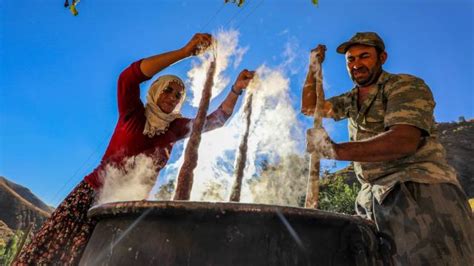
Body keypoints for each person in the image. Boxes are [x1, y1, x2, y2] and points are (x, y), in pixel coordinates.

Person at [14, 33, 255, 265]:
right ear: (156, 90)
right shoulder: (133, 114)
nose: (173, 96)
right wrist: (184, 52)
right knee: (56, 256)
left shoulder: (175, 128)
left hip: (128, 210)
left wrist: (236, 89)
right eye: (168, 89)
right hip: (91, 197)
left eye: (178, 94)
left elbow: (216, 120)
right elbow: (127, 78)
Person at [302, 32, 473, 265]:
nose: (356, 64)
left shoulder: (403, 85)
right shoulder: (350, 101)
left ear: (382, 57)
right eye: (350, 60)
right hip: (372, 201)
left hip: (417, 191)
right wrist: (313, 66)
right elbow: (311, 107)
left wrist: (334, 150)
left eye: (364, 57)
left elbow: (403, 140)